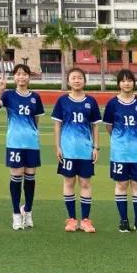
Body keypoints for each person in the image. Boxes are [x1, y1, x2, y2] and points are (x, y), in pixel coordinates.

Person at [0, 63, 44, 230]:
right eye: (18, 74)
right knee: (16, 175)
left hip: (31, 143)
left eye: (24, 74)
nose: (21, 77)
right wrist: (0, 89)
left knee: (30, 176)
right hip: (14, 142)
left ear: (29, 77)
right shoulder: (8, 95)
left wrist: (34, 135)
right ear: (14, 77)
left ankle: (27, 211)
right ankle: (15, 214)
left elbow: (36, 120)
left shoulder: (35, 97)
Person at [51, 67, 100, 233]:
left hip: (85, 150)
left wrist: (96, 147)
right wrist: (57, 146)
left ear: (84, 81)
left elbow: (95, 126)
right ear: (68, 81)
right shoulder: (62, 101)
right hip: (68, 150)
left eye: (80, 77)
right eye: (73, 78)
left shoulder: (90, 101)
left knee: (85, 183)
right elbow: (57, 125)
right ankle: (71, 219)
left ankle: (85, 220)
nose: (77, 80)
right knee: (69, 182)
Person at [102, 68, 137, 233]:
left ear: (133, 83)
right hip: (120, 152)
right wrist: (120, 140)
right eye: (123, 81)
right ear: (119, 84)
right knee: (121, 184)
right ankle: (123, 221)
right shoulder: (112, 103)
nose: (126, 83)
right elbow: (109, 127)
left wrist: (136, 138)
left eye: (129, 80)